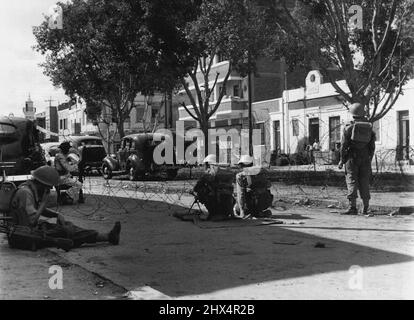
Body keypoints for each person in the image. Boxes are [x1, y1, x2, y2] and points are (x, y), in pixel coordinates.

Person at [9, 166, 121, 250]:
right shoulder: (26, 193)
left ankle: (107, 236)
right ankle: (108, 237)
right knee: (67, 231)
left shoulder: (29, 189)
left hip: (29, 231)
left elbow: (36, 210)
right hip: (25, 235)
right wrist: (44, 202)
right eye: (48, 188)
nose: (48, 190)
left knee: (67, 226)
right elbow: (32, 221)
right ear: (41, 184)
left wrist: (56, 215)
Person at [338, 103, 376, 215]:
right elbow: (372, 146)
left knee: (351, 180)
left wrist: (342, 160)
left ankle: (352, 207)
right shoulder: (369, 127)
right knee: (364, 181)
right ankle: (366, 208)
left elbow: (343, 146)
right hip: (365, 157)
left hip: (352, 157)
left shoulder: (348, 127)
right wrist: (369, 158)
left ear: (352, 113)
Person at [192, 154, 234, 221]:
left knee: (201, 193)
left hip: (214, 203)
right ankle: (227, 214)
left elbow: (196, 188)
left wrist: (196, 192)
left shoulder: (208, 174)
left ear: (208, 164)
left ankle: (213, 214)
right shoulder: (225, 172)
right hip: (227, 207)